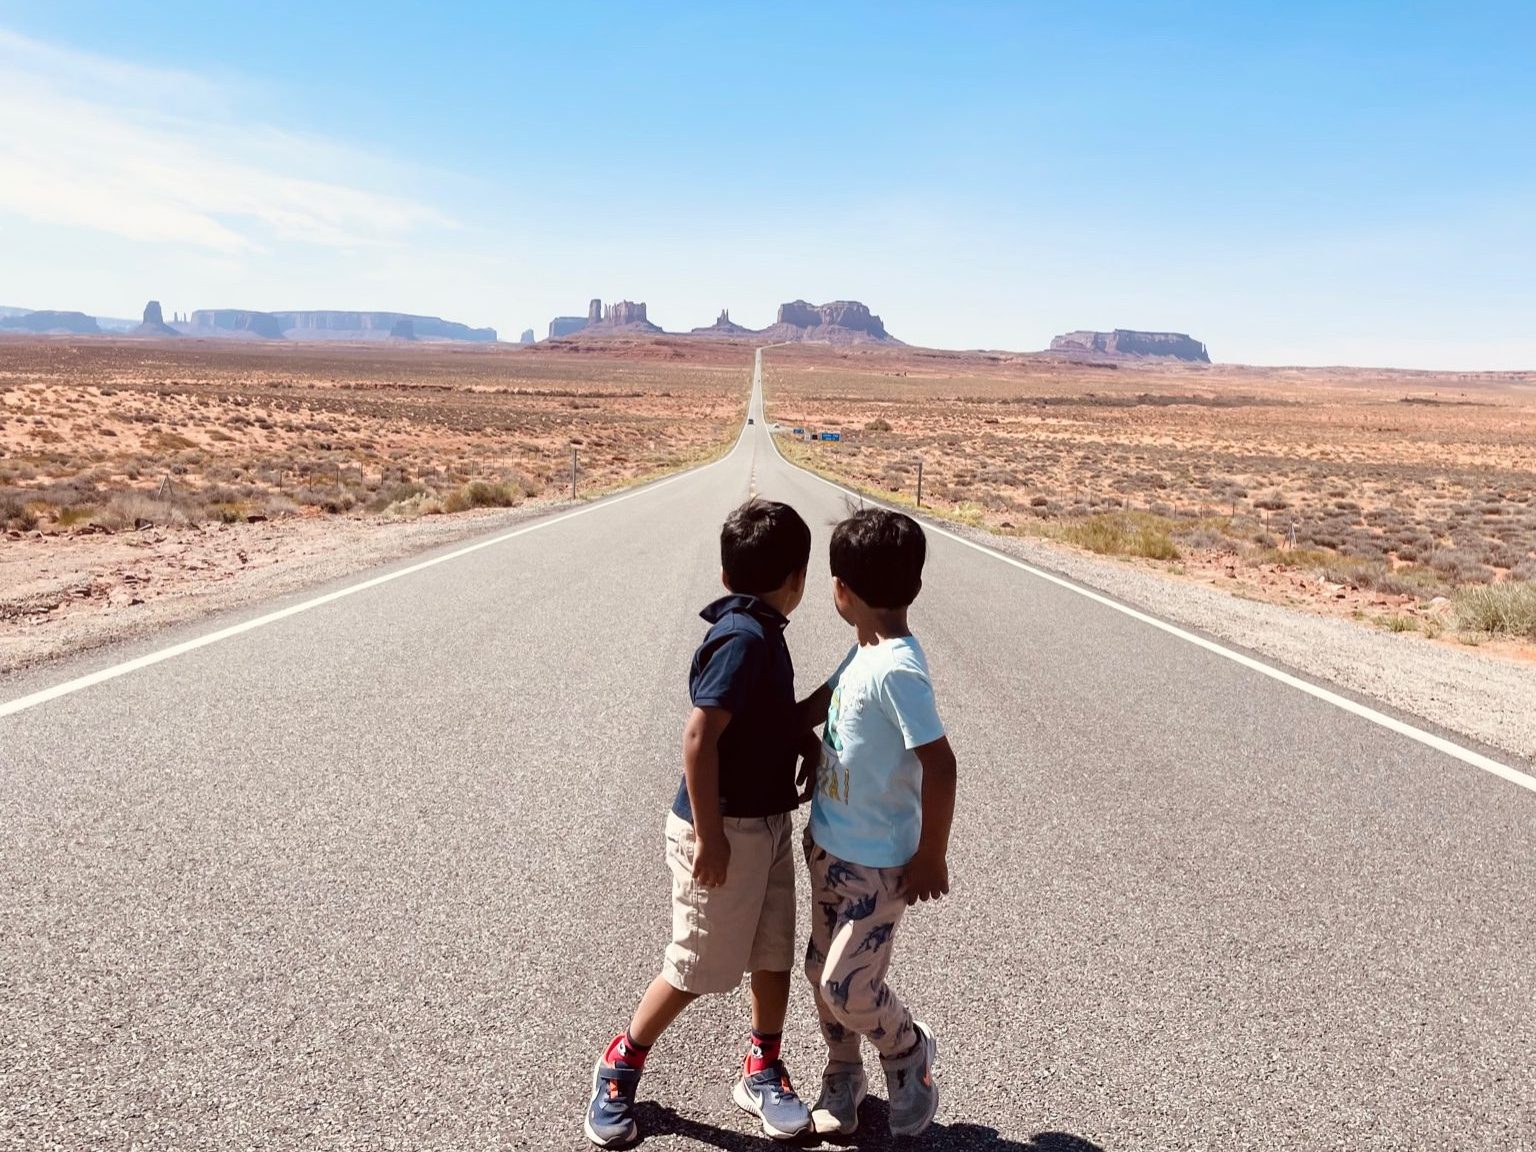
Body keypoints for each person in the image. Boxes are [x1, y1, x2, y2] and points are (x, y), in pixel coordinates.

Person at [584, 498, 822, 1147]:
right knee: (695, 965)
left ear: (726, 577)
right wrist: (711, 835)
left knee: (772, 954)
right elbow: (699, 737)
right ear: (797, 580)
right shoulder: (742, 640)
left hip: (766, 823)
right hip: (721, 832)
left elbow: (762, 722)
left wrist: (807, 729)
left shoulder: (762, 631)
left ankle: (763, 1068)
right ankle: (620, 1064)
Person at [799, 507, 958, 1138]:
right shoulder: (864, 650)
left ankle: (905, 1050)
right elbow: (825, 700)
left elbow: (941, 765)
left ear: (840, 590)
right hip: (828, 847)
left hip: (880, 866)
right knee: (821, 971)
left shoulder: (898, 668)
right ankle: (843, 1072)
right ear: (912, 586)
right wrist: (780, 720)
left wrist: (931, 854)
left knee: (848, 986)